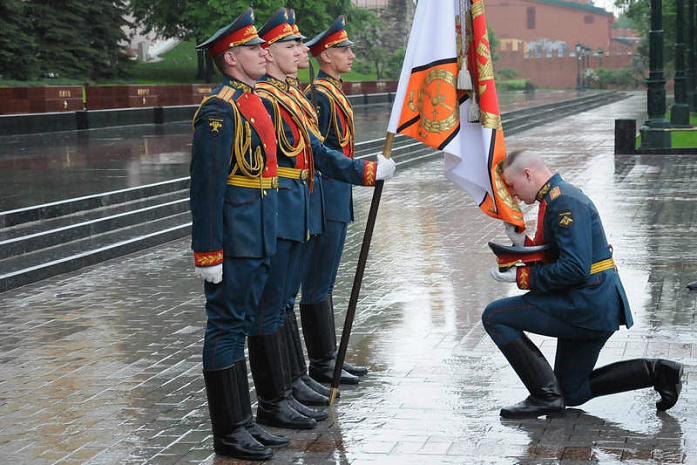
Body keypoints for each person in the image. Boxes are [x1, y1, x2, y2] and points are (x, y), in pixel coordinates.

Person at [246, 8, 396, 430]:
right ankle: (284, 390)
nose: (301, 51)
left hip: (309, 201)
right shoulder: (269, 98)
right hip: (292, 204)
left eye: (300, 43)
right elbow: (314, 154)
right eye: (290, 44)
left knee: (288, 300)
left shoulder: (292, 95)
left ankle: (295, 381)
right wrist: (363, 171)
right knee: (276, 304)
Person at [482, 149, 683, 419]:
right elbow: (557, 255)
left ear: (527, 174)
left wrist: (520, 277)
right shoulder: (555, 198)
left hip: (585, 303)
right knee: (572, 392)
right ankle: (659, 372)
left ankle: (544, 396)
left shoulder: (562, 201)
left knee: (495, 316)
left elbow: (573, 268)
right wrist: (522, 244)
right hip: (592, 303)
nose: (513, 195)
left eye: (512, 186)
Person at [189, 8, 288, 460]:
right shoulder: (219, 108)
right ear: (231, 58)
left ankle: (245, 420)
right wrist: (208, 253)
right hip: (235, 236)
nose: (263, 52)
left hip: (260, 230)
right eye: (253, 47)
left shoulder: (255, 101)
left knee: (242, 325)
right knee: (225, 329)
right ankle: (228, 429)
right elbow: (206, 187)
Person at [299, 15, 371, 386]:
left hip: (336, 197)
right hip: (323, 197)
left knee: (325, 281)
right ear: (325, 55)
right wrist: (361, 170)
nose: (351, 55)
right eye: (344, 49)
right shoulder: (317, 96)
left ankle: (330, 357)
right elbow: (321, 154)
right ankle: (323, 362)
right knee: (317, 282)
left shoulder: (333, 91)